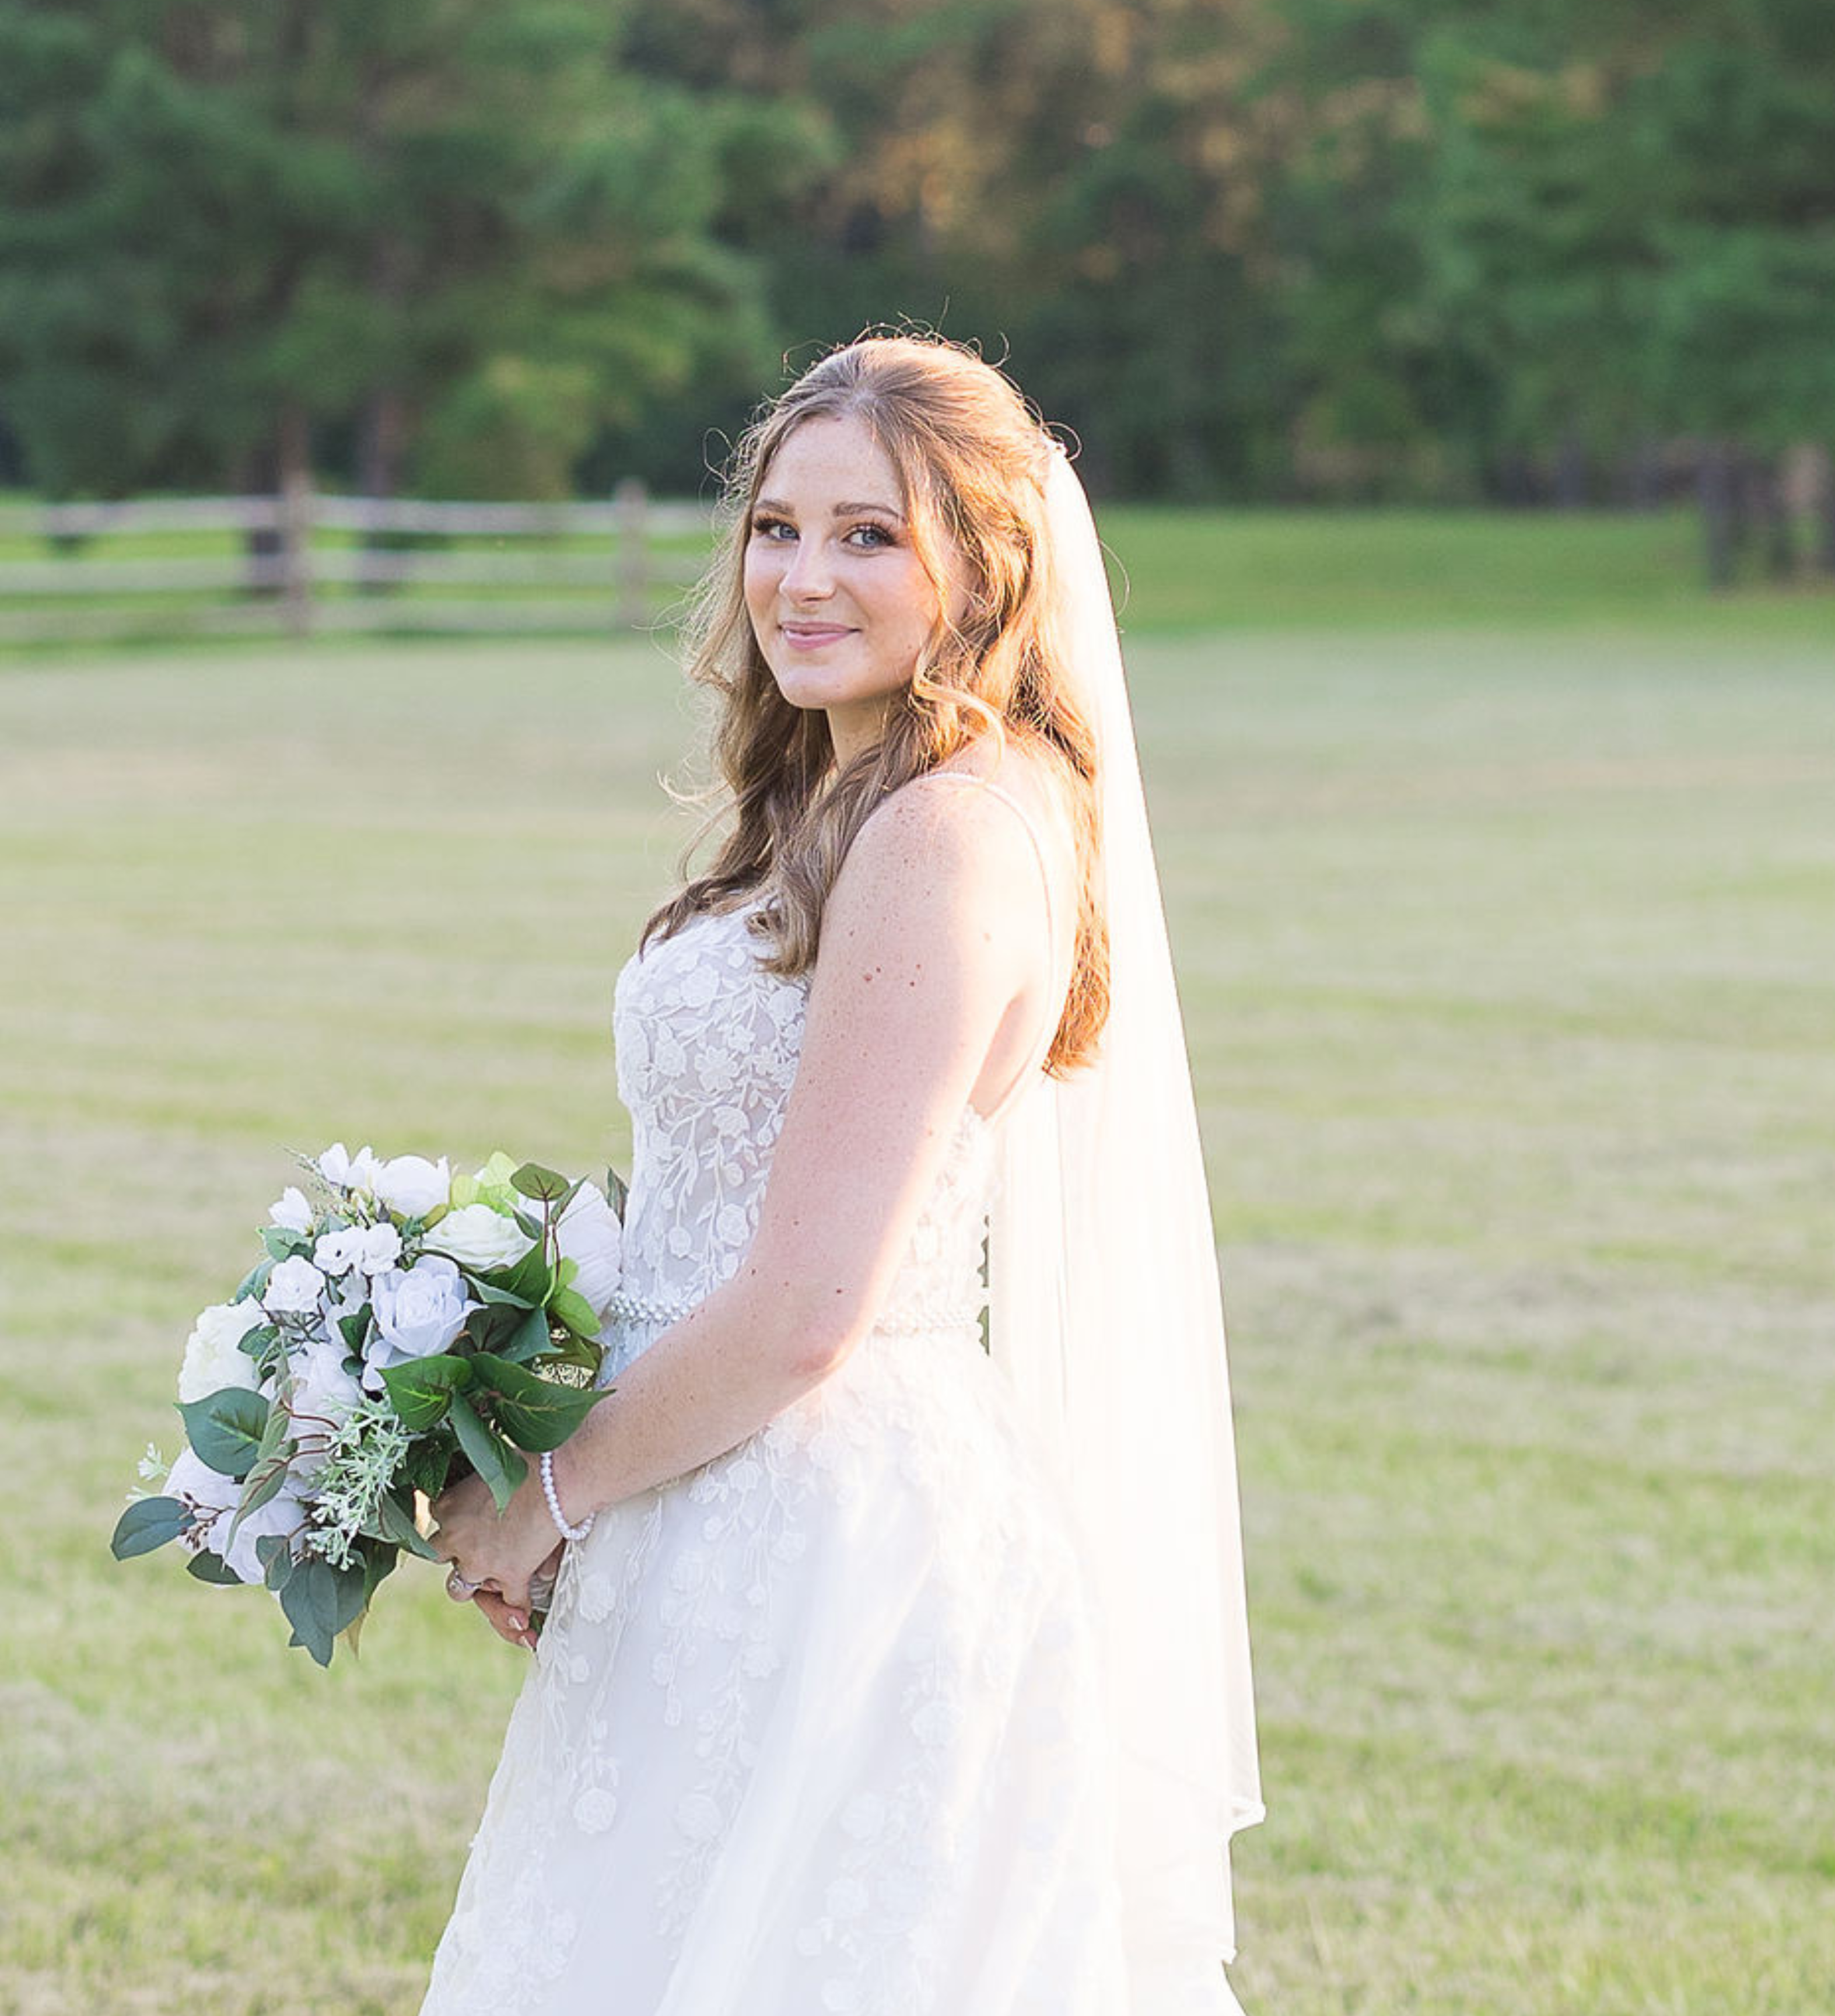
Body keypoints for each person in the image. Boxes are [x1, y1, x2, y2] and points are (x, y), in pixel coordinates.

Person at [418, 332, 1262, 2014]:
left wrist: (542, 1499)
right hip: (720, 1505)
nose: (803, 577)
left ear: (987, 566)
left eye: (870, 534)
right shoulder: (848, 796)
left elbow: (810, 1302)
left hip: (825, 1546)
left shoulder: (945, 830)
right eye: (779, 525)